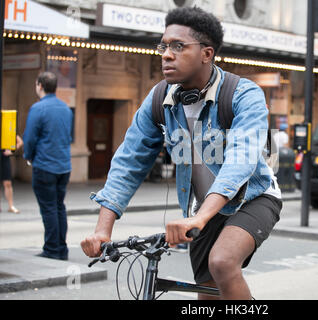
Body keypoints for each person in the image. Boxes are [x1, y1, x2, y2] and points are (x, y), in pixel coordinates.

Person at [81, 7, 282, 300]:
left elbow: (241, 159)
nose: (166, 54)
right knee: (208, 294)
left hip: (253, 198)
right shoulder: (158, 100)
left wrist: (199, 218)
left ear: (207, 53)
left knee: (222, 263)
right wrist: (102, 230)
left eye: (178, 46)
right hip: (202, 211)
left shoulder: (242, 94)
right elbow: (129, 161)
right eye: (163, 45)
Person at [23, 72, 73, 261]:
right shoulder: (65, 108)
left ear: (40, 85)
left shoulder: (38, 108)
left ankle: (52, 249)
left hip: (45, 165)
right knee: (59, 206)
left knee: (49, 208)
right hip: (63, 166)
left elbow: (30, 138)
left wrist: (29, 157)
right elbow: (68, 136)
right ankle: (62, 248)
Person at [1, 135, 24, 213]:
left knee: (7, 183)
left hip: (4, 158)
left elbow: (20, 142)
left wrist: (11, 151)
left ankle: (11, 206)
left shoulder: (6, 128)